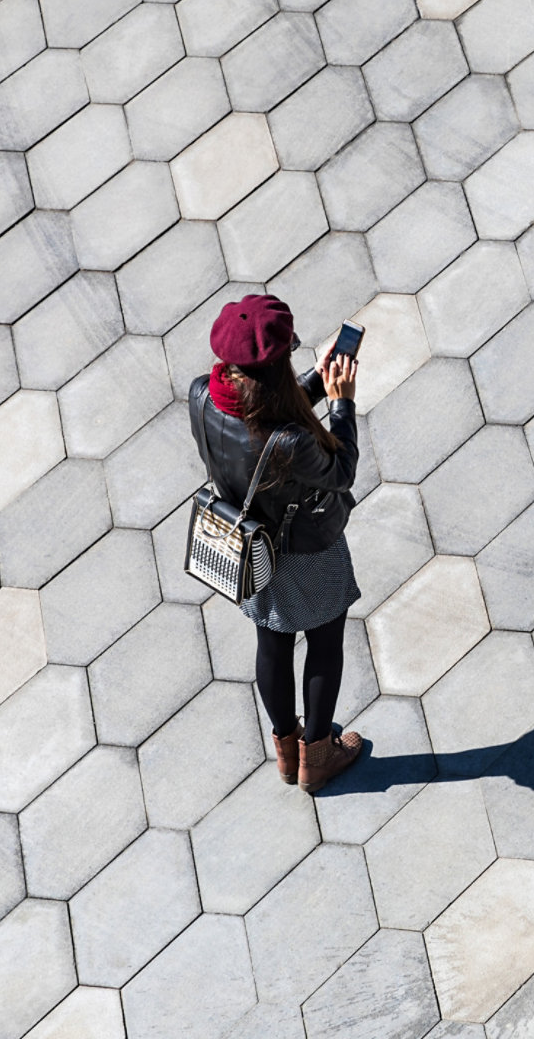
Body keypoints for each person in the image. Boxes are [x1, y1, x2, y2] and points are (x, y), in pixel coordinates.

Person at [188, 294, 366, 793]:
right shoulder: (292, 443)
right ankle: (318, 758)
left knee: (272, 640)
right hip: (305, 549)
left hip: (250, 549)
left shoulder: (201, 394)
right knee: (326, 644)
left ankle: (287, 755)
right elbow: (342, 470)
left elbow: (261, 413)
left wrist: (313, 377)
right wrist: (342, 401)